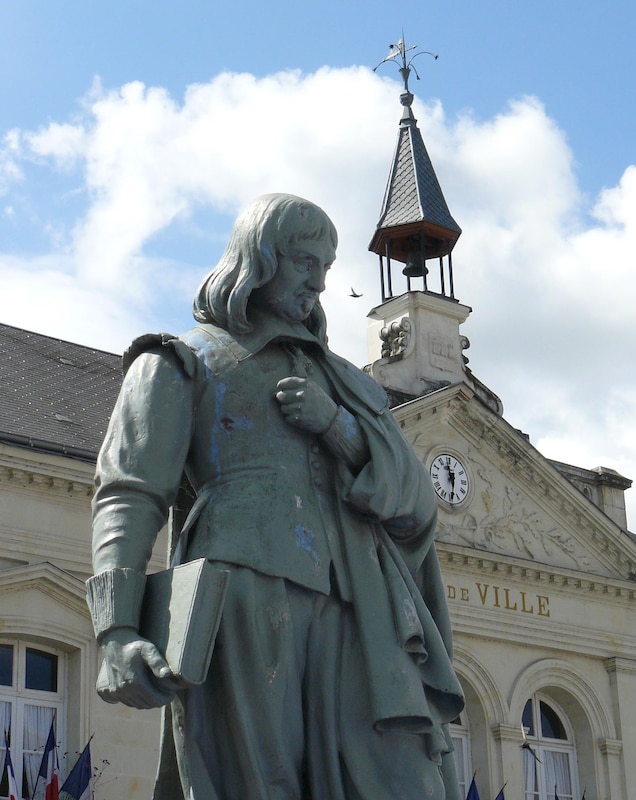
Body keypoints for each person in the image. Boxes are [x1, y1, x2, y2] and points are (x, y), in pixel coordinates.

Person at [86, 193, 464, 800]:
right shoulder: (183, 360)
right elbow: (129, 493)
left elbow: (418, 508)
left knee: (406, 780)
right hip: (246, 592)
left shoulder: (351, 385)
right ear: (257, 260)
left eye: (326, 266)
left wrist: (339, 429)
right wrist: (116, 630)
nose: (317, 281)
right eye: (301, 260)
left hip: (362, 610)